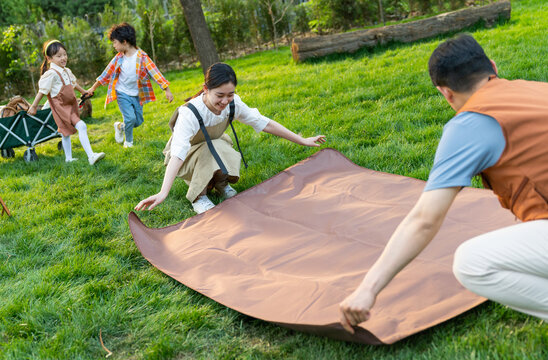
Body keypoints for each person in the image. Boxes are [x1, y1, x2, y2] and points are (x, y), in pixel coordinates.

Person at [339, 34, 548, 332]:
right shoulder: (538, 89)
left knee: (471, 262)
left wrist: (368, 288)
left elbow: (424, 220)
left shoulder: (470, 125)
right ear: (493, 66)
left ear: (445, 93)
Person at [135, 62, 326, 214]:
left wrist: (302, 140)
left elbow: (264, 123)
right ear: (205, 89)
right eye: (219, 95)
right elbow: (178, 153)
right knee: (208, 150)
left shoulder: (233, 104)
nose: (225, 101)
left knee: (221, 145)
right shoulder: (190, 113)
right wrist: (163, 192)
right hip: (188, 156)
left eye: (230, 94)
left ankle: (220, 184)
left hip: (214, 146)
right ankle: (198, 197)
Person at [87, 22, 174, 148]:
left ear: (125, 42)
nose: (114, 45)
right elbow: (105, 74)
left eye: (115, 42)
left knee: (138, 121)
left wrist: (167, 90)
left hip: (137, 95)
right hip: (122, 92)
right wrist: (92, 88)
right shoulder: (118, 58)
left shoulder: (143, 57)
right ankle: (128, 142)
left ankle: (120, 126)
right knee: (130, 118)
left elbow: (155, 73)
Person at [28, 40, 105, 165]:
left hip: (70, 104)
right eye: (59, 56)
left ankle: (68, 159)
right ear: (49, 58)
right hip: (61, 107)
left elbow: (73, 84)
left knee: (65, 133)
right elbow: (42, 91)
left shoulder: (66, 71)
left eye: (65, 54)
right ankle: (91, 156)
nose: (63, 58)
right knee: (81, 126)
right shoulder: (51, 74)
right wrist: (34, 106)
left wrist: (84, 91)